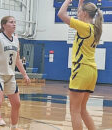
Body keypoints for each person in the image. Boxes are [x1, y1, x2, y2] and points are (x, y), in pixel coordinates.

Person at [58, 0, 103, 130]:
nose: (78, 14)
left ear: (84, 13)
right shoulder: (94, 28)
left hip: (81, 69)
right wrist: (80, 3)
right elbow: (80, 15)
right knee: (82, 110)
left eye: (79, 12)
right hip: (91, 71)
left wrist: (67, 1)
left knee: (74, 110)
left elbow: (61, 14)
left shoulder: (84, 28)